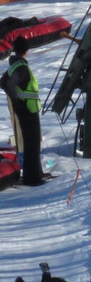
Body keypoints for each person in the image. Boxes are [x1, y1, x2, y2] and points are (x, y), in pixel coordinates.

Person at [1, 36, 44, 186]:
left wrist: (16, 100)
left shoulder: (14, 65)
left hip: (24, 108)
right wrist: (17, 101)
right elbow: (10, 85)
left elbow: (3, 83)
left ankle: (35, 174)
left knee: (30, 141)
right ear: (26, 50)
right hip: (27, 108)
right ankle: (33, 178)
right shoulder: (21, 67)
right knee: (33, 143)